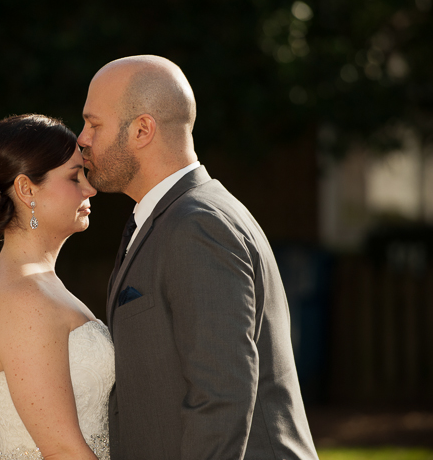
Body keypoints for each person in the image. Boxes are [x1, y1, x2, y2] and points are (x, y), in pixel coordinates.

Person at [77, 55, 319, 460]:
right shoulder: (173, 216)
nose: (82, 138)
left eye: (93, 124)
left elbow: (222, 395)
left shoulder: (199, 226)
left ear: (142, 130)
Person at [0, 114, 114, 460]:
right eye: (75, 176)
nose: (90, 188)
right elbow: (62, 451)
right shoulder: (22, 298)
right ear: (27, 189)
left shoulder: (41, 284)